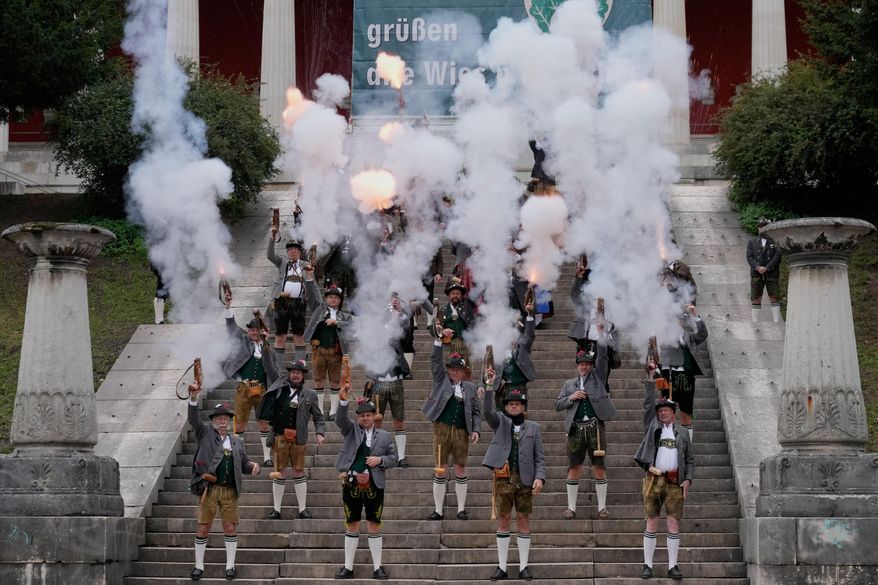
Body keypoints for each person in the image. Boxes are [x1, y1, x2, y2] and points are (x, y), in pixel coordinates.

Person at [186, 386, 260, 581]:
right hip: (208, 489)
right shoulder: (204, 433)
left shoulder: (237, 442)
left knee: (230, 527)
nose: (222, 421)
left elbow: (243, 463)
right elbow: (193, 419)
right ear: (213, 421)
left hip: (230, 491)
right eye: (219, 418)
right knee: (203, 527)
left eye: (225, 419)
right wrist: (194, 397)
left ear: (229, 422)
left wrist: (252, 466)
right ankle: (198, 566)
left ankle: (230, 566)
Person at [634, 359, 695, 580]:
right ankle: (647, 564)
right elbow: (648, 402)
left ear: (673, 412)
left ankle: (672, 566)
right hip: (653, 479)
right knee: (651, 520)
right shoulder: (652, 425)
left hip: (674, 481)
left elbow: (691, 460)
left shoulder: (681, 433)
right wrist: (651, 377)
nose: (662, 413)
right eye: (660, 410)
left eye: (666, 410)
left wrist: (687, 480)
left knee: (673, 522)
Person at [482, 381, 546, 581]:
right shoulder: (500, 421)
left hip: (526, 480)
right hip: (503, 478)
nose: (514, 406)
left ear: (523, 406)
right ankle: (501, 567)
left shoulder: (534, 428)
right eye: (511, 404)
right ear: (506, 407)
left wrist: (540, 478)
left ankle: (523, 566)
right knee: (503, 520)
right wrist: (489, 388)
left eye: (518, 403)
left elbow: (540, 458)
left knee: (523, 520)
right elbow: (487, 412)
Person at [334, 383, 398, 580]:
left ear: (374, 415)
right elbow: (340, 419)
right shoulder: (351, 430)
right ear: (358, 417)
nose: (365, 418)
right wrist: (343, 400)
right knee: (352, 523)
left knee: (374, 523)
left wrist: (380, 460)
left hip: (374, 483)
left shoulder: (386, 436)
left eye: (368, 415)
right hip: (351, 482)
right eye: (362, 415)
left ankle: (378, 567)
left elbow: (394, 458)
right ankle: (348, 567)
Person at [555, 324, 618, 520]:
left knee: (599, 467)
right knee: (574, 467)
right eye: (581, 364)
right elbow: (557, 404)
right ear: (577, 365)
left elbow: (603, 358)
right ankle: (571, 508)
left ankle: (602, 507)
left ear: (591, 365)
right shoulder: (569, 385)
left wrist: (600, 336)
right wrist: (571, 397)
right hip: (575, 429)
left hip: (595, 427)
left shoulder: (598, 377)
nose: (584, 366)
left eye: (587, 364)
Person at [257, 361, 326, 520]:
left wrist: (320, 433)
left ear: (303, 376)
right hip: (280, 437)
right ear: (289, 374)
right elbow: (269, 367)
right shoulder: (279, 389)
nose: (295, 375)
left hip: (298, 439)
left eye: (299, 372)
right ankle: (276, 510)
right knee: (279, 472)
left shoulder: (310, 394)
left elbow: (318, 417)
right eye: (293, 372)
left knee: (299, 471)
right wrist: (266, 345)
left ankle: (302, 509)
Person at [422, 339, 482, 521]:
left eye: (458, 369)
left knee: (460, 468)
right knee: (440, 468)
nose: (454, 372)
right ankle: (438, 510)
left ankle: (461, 509)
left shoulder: (471, 388)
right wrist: (438, 342)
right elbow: (435, 361)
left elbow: (477, 412)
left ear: (464, 372)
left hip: (462, 432)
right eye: (452, 369)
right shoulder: (441, 380)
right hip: (442, 429)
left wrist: (476, 430)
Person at [220, 299, 281, 467]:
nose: (254, 332)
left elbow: (274, 372)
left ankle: (267, 457)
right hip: (244, 388)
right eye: (252, 329)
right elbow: (231, 327)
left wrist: (266, 345)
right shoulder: (242, 341)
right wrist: (228, 307)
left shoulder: (269, 350)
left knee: (263, 423)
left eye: (257, 330)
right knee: (240, 423)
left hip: (262, 390)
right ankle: (240, 456)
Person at [364, 294, 412, 467]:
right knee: (376, 418)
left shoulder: (398, 331)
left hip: (396, 380)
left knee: (399, 420)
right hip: (379, 379)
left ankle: (401, 456)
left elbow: (406, 332)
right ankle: (375, 452)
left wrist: (401, 313)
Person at [303, 264, 352, 422]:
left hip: (336, 352)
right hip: (319, 350)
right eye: (330, 296)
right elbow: (312, 294)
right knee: (317, 380)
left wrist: (337, 322)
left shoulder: (343, 316)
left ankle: (333, 411)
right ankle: (317, 412)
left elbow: (353, 326)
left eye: (336, 297)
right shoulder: (319, 309)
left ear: (339, 300)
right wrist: (310, 277)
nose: (333, 299)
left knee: (335, 381)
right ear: (326, 299)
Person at [659, 304, 709, 441]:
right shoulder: (663, 337)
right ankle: (667, 442)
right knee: (667, 411)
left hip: (687, 378)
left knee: (687, 413)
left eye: (679, 319)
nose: (677, 322)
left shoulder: (688, 336)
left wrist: (695, 316)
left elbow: (703, 335)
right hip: (669, 377)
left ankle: (688, 446)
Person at [267, 236, 308, 362]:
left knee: (299, 336)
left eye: (296, 249)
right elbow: (270, 255)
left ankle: (300, 365)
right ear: (287, 252)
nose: (293, 251)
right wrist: (272, 239)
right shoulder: (282, 262)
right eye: (290, 249)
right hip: (282, 302)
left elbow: (312, 284)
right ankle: (277, 368)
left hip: (299, 303)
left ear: (300, 252)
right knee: (280, 336)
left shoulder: (306, 265)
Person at [494, 303, 536, 410]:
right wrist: (481, 385)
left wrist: (530, 314)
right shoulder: (497, 347)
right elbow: (488, 368)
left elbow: (530, 334)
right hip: (503, 388)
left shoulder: (523, 345)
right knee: (501, 420)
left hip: (519, 387)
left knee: (520, 420)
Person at [746, 217, 782, 322]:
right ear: (757, 227)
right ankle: (755, 322)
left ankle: (776, 321)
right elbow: (749, 256)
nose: (762, 229)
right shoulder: (752, 242)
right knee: (756, 297)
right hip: (756, 273)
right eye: (760, 227)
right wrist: (757, 267)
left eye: (764, 227)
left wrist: (767, 267)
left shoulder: (775, 240)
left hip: (772, 272)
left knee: (774, 296)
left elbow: (778, 255)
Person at [439, 277, 477, 374]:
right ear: (449, 295)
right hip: (448, 346)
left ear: (461, 295)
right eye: (453, 293)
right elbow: (434, 328)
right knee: (448, 372)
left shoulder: (468, 308)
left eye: (458, 293)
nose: (455, 296)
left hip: (465, 345)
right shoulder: (442, 311)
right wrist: (443, 331)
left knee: (466, 372)